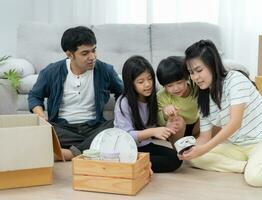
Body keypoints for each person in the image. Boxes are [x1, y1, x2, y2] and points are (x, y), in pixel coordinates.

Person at [179, 39, 262, 187]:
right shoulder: (203, 96)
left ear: (212, 65)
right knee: (194, 158)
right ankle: (246, 167)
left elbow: (235, 123)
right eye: (191, 73)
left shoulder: (235, 80)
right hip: (240, 147)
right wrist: (191, 150)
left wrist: (204, 149)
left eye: (199, 70)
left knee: (255, 178)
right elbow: (205, 136)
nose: (195, 77)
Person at [28, 26, 123, 161]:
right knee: (38, 130)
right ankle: (91, 148)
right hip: (62, 129)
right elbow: (34, 96)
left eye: (94, 51)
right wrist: (41, 116)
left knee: (119, 125)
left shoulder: (105, 70)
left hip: (94, 127)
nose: (92, 57)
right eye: (85, 53)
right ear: (69, 54)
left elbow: (123, 93)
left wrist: (122, 112)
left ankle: (71, 153)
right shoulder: (52, 71)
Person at [114, 55, 182, 173]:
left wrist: (167, 128)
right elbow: (126, 137)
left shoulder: (152, 97)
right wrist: (152, 132)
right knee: (170, 160)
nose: (147, 84)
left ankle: (137, 164)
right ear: (131, 83)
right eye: (141, 81)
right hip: (125, 147)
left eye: (150, 79)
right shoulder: (123, 102)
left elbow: (152, 127)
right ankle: (133, 164)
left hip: (144, 146)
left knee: (176, 158)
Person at [156, 56, 199, 145]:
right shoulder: (162, 96)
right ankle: (178, 150)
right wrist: (165, 112)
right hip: (175, 131)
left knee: (213, 117)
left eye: (179, 83)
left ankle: (197, 144)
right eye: (170, 86)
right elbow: (158, 121)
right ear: (164, 85)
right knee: (177, 120)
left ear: (187, 78)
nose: (176, 88)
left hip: (195, 125)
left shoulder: (195, 86)